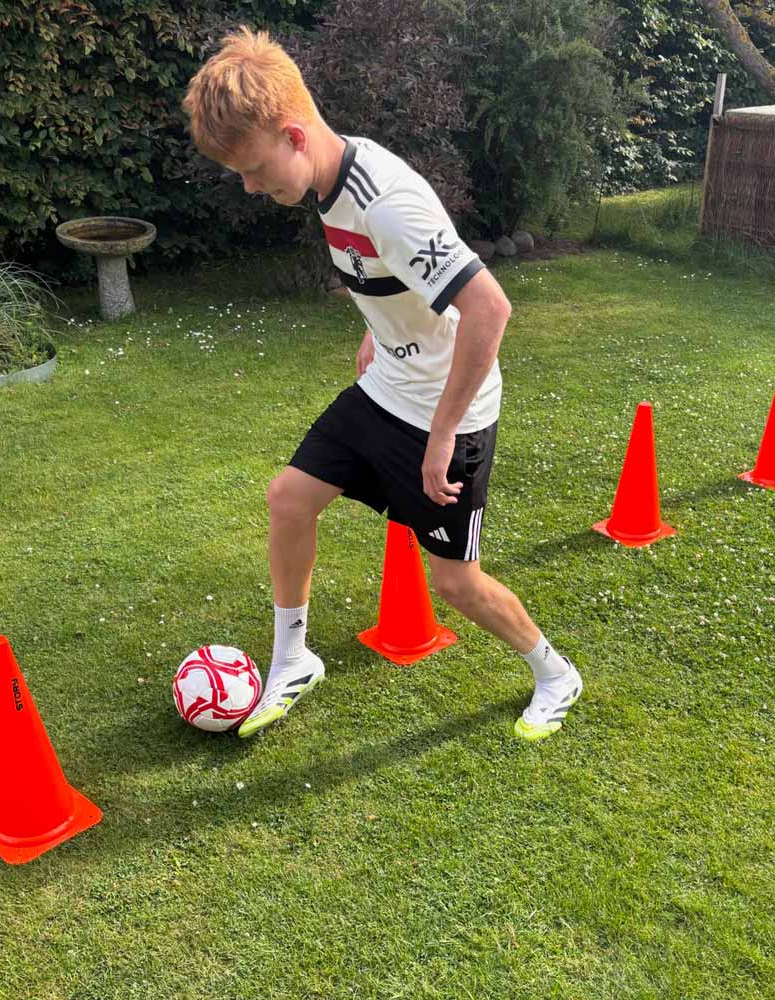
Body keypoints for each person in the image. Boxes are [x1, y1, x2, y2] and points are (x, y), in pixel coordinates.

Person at [182, 27, 582, 742]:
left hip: (447, 413)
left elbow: (489, 309)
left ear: (294, 136)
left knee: (455, 583)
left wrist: (442, 434)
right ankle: (293, 659)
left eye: (254, 169)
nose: (250, 186)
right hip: (389, 387)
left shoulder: (385, 199)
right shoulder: (327, 180)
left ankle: (555, 673)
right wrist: (379, 326)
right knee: (289, 499)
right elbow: (391, 273)